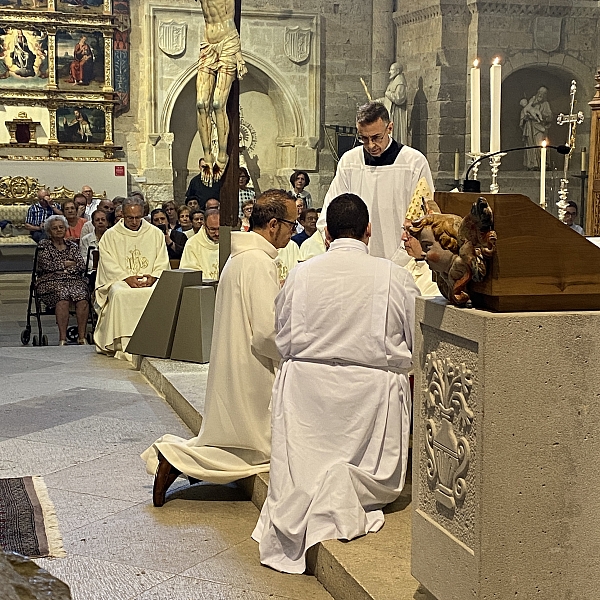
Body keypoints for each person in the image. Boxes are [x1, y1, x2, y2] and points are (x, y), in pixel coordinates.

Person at [252, 193, 419, 573]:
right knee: (370, 476)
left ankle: (307, 494)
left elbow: (283, 333)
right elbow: (414, 340)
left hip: (307, 395)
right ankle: (343, 489)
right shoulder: (396, 276)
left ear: (325, 232)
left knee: (302, 473)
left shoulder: (300, 273)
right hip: (371, 397)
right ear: (369, 232)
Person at [141, 189, 298, 506]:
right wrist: (295, 353)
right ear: (272, 225)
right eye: (291, 224)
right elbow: (266, 333)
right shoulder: (257, 262)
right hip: (253, 369)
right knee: (262, 454)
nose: (293, 231)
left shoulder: (242, 258)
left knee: (251, 447)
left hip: (237, 363)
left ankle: (180, 458)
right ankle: (174, 458)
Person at [317, 101, 433, 265]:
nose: (371, 145)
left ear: (390, 128)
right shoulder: (350, 161)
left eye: (376, 137)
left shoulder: (413, 162)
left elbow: (422, 216)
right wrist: (333, 241)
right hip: (356, 261)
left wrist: (400, 260)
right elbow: (332, 207)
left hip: (402, 261)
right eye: (364, 138)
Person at [93, 196, 170, 361]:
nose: (134, 221)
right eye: (130, 218)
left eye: (138, 217)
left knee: (158, 292)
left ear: (142, 214)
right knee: (120, 294)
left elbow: (162, 260)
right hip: (121, 281)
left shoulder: (155, 233)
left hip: (149, 281)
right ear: (122, 214)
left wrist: (154, 276)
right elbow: (108, 263)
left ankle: (154, 342)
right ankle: (123, 343)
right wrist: (126, 278)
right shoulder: (111, 236)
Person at [195, 0, 247, 181]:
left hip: (228, 42)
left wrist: (239, 55)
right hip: (207, 43)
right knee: (201, 103)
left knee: (218, 103)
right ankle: (207, 155)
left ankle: (222, 155)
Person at [36, 215, 90, 346]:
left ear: (66, 229)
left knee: (83, 296)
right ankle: (62, 338)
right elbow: (47, 265)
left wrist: (65, 269)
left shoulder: (72, 246)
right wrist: (67, 264)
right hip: (50, 281)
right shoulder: (43, 246)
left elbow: (81, 265)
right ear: (49, 231)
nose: (59, 230)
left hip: (73, 280)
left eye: (61, 227)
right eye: (55, 228)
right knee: (62, 295)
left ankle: (82, 337)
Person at [179, 208, 220, 279]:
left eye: (219, 229)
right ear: (204, 225)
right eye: (212, 229)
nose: (217, 233)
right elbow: (189, 272)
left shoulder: (229, 241)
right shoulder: (192, 243)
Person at [520, 86, 552, 170]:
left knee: (540, 144)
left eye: (543, 93)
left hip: (540, 127)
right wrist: (525, 118)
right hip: (530, 127)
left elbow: (550, 117)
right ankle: (532, 164)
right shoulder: (531, 102)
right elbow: (523, 113)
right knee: (530, 145)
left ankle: (543, 164)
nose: (541, 95)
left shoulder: (545, 104)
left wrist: (543, 118)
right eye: (540, 92)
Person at [381, 62, 407, 145]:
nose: (389, 72)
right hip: (391, 113)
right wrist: (377, 101)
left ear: (398, 71)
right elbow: (387, 99)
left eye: (392, 70)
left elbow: (399, 99)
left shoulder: (400, 82)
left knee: (396, 133)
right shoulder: (393, 82)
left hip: (397, 113)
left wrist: (388, 94)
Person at [80, 209, 108, 279]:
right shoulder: (85, 239)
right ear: (92, 223)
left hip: (109, 271)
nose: (100, 222)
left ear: (107, 222)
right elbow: (84, 259)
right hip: (91, 272)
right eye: (97, 220)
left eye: (103, 220)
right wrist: (98, 266)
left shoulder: (113, 237)